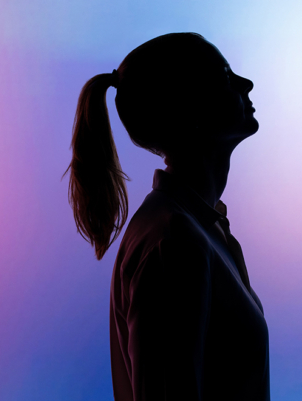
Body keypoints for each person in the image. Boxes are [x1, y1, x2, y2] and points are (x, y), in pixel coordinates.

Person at [66, 32, 270, 401]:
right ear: (191, 110)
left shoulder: (200, 230)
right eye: (225, 77)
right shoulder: (174, 241)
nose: (246, 83)